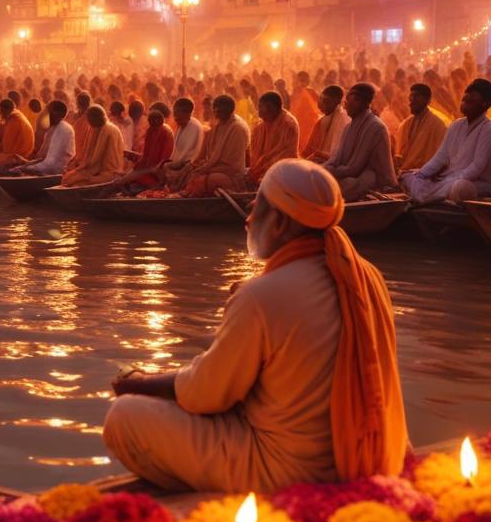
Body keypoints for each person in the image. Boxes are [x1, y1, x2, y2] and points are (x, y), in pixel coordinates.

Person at [104, 159, 407, 492]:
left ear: (278, 220)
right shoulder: (367, 277)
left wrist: (140, 382)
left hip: (287, 472)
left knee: (124, 416)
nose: (249, 215)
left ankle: (210, 496)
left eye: (258, 204)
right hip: (358, 454)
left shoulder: (263, 295)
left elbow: (206, 395)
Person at [400, 79, 491, 204]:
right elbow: (441, 157)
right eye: (464, 100)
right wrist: (421, 174)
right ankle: (430, 195)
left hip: (477, 183)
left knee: (460, 188)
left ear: (485, 104)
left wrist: (447, 180)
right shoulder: (456, 125)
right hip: (447, 180)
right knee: (409, 176)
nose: (464, 104)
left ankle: (426, 196)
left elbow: (477, 168)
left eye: (470, 101)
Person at [324, 83, 397, 201]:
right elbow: (337, 158)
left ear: (359, 101)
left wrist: (329, 171)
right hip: (352, 175)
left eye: (348, 100)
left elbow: (355, 168)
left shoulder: (376, 127)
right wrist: (322, 170)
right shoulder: (349, 127)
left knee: (346, 185)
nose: (345, 104)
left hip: (376, 180)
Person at [172, 95, 250, 198]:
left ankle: (192, 202)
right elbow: (203, 154)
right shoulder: (217, 127)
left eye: (219, 109)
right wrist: (191, 167)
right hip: (214, 168)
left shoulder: (237, 129)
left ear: (230, 110)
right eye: (215, 108)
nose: (215, 111)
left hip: (232, 176)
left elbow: (232, 166)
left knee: (206, 179)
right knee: (190, 173)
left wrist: (205, 170)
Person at [61, 105, 126, 186]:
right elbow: (87, 155)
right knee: (67, 179)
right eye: (89, 119)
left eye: (92, 119)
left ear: (99, 118)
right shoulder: (94, 129)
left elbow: (96, 160)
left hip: (110, 172)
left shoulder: (109, 129)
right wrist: (76, 166)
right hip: (94, 170)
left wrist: (84, 173)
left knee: (77, 182)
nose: (90, 122)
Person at [247, 92, 300, 185]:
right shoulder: (260, 125)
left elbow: (284, 157)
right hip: (262, 172)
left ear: (273, 109)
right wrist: (254, 170)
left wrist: (261, 172)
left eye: (261, 109)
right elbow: (254, 153)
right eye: (258, 108)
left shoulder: (288, 125)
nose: (259, 113)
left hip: (283, 172)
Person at [117, 109, 175, 193]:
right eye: (150, 122)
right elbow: (146, 154)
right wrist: (138, 166)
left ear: (161, 121)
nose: (152, 125)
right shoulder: (150, 130)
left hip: (159, 170)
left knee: (133, 177)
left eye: (155, 122)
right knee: (131, 174)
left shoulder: (166, 132)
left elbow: (165, 159)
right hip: (149, 167)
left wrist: (150, 169)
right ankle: (124, 182)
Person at [394, 83, 447, 172]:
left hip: (426, 174)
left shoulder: (438, 125)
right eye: (411, 96)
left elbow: (441, 158)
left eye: (416, 96)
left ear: (427, 100)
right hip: (405, 172)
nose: (412, 100)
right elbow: (400, 153)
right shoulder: (406, 124)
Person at [16, 99, 75, 176]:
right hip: (47, 167)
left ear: (57, 116)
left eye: (47, 112)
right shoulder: (52, 128)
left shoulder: (63, 130)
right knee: (16, 168)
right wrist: (26, 164)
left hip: (57, 170)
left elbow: (50, 162)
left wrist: (28, 168)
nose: (44, 114)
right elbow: (42, 156)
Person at [301, 85, 350, 163]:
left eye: (327, 101)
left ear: (338, 102)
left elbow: (337, 154)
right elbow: (310, 148)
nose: (322, 104)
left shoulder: (344, 120)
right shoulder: (322, 120)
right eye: (321, 100)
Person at [0, 99, 35, 167]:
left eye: (1, 111)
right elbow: (4, 143)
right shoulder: (16, 116)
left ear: (6, 110)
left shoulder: (14, 120)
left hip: (21, 154)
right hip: (20, 151)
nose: (0, 114)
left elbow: (8, 149)